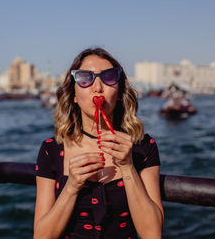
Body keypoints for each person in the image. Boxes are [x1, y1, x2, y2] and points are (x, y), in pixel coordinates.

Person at [34, 48, 164, 239]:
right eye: (85, 78)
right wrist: (71, 186)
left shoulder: (142, 146)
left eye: (109, 77)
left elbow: (152, 234)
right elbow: (41, 236)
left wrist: (128, 167)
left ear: (119, 92)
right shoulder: (51, 150)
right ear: (74, 96)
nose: (97, 87)